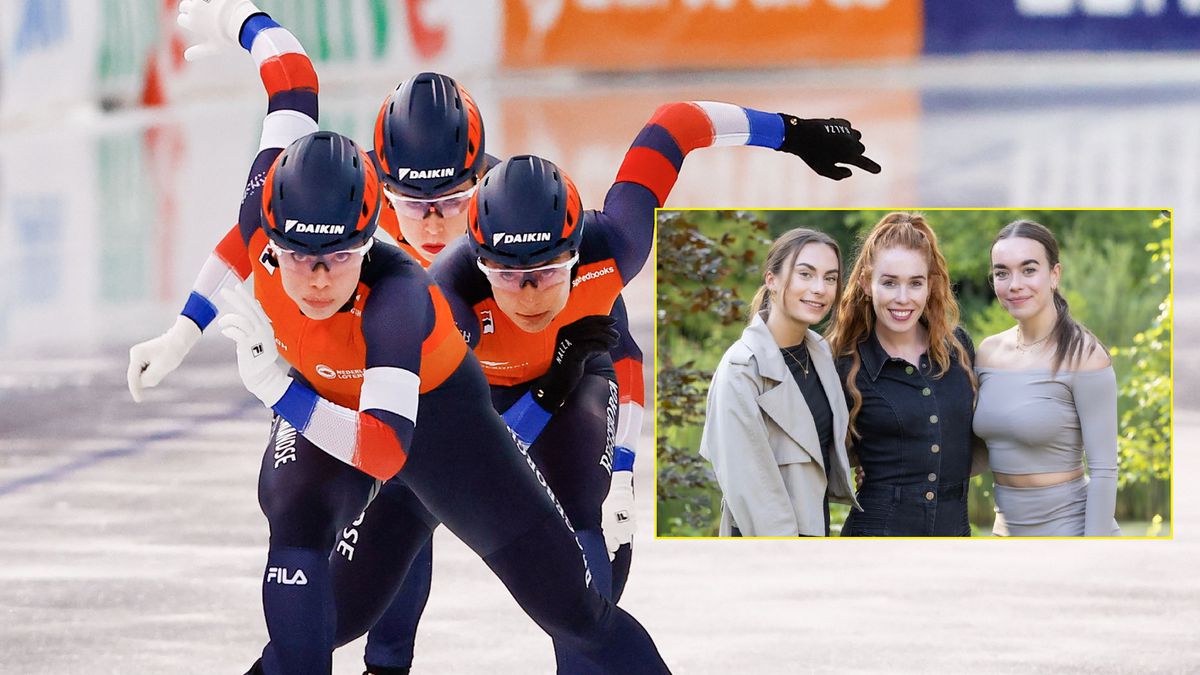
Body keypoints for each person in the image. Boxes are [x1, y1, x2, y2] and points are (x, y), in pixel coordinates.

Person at [128, 2, 671, 672]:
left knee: (548, 588)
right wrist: (233, 17)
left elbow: (401, 446)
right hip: (351, 386)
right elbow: (290, 77)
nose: (317, 277)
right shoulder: (278, 199)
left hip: (429, 391)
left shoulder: (423, 277)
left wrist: (611, 457)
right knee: (306, 539)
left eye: (451, 199)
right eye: (296, 254)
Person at [341, 70, 648, 674]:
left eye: (454, 199)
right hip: (448, 381)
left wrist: (627, 471)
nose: (431, 223)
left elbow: (620, 343)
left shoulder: (529, 214)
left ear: (483, 178)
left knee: (580, 516)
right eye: (413, 202)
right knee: (399, 500)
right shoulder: (353, 226)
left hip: (547, 376)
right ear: (380, 186)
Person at [699, 228, 860, 537]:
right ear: (771, 280)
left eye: (830, 278)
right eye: (805, 274)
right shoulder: (742, 369)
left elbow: (821, 447)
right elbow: (753, 491)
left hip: (815, 531)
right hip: (768, 543)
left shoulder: (821, 354)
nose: (820, 288)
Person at [827, 212, 979, 537]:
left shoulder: (959, 348)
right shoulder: (843, 362)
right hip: (875, 540)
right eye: (889, 282)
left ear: (931, 285)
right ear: (867, 283)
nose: (902, 298)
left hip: (956, 541)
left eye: (915, 283)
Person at [973, 220, 1120, 536]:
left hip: (1069, 531)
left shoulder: (1085, 356)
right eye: (1002, 273)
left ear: (1054, 275)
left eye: (1028, 270)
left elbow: (1105, 472)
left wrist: (1092, 555)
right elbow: (975, 453)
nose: (1014, 284)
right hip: (1003, 535)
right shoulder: (987, 353)